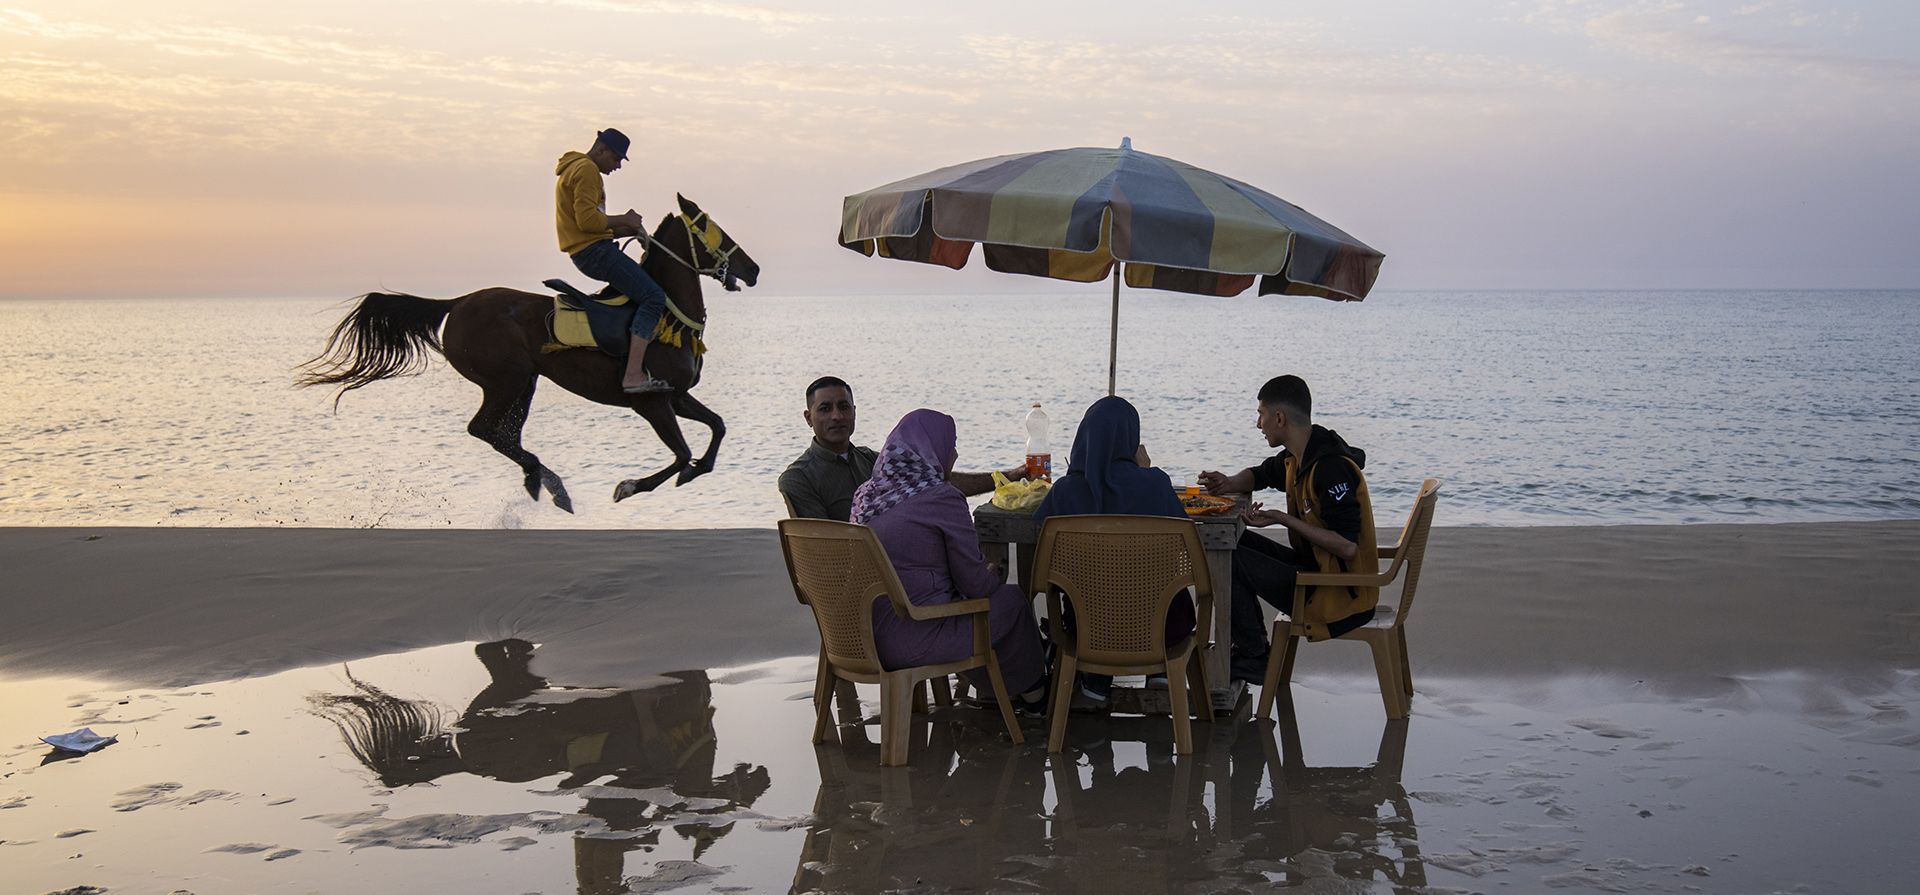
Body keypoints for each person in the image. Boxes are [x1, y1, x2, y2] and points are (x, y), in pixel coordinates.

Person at [851, 409, 1049, 710]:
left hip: (864, 638)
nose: (954, 453)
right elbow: (976, 584)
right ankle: (1035, 694)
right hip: (917, 637)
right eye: (951, 444)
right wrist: (993, 572)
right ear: (933, 450)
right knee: (1010, 600)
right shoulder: (941, 498)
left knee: (957, 599)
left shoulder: (866, 496)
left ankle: (1002, 689)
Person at [1198, 375, 1379, 684]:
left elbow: (1347, 547)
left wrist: (1283, 518)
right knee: (1236, 545)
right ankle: (1253, 651)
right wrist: (1228, 483)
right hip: (1317, 571)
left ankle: (1255, 657)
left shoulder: (1330, 468)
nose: (1258, 424)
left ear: (1279, 417)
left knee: (1230, 560)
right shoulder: (1299, 457)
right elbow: (1259, 475)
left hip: (1340, 593)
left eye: (1261, 414)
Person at [1032, 396, 1197, 711]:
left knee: (1095, 591)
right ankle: (1161, 675)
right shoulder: (1156, 484)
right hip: (1162, 626)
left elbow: (1045, 557)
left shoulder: (1064, 492)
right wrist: (1145, 472)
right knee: (1157, 587)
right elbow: (1181, 551)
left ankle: (1094, 686)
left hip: (1087, 629)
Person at [778, 376, 1027, 522]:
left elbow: (935, 481)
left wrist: (1007, 478)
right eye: (825, 409)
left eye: (844, 407)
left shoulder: (871, 460)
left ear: (855, 412)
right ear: (808, 417)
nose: (836, 416)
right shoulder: (798, 478)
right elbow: (819, 545)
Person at [554, 127, 672, 394]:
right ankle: (632, 374)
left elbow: (585, 224)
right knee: (654, 297)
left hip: (588, 248)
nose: (618, 166)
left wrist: (621, 230)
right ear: (601, 150)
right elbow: (587, 221)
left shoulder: (575, 168)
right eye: (617, 158)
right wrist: (625, 219)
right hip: (594, 253)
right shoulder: (587, 170)